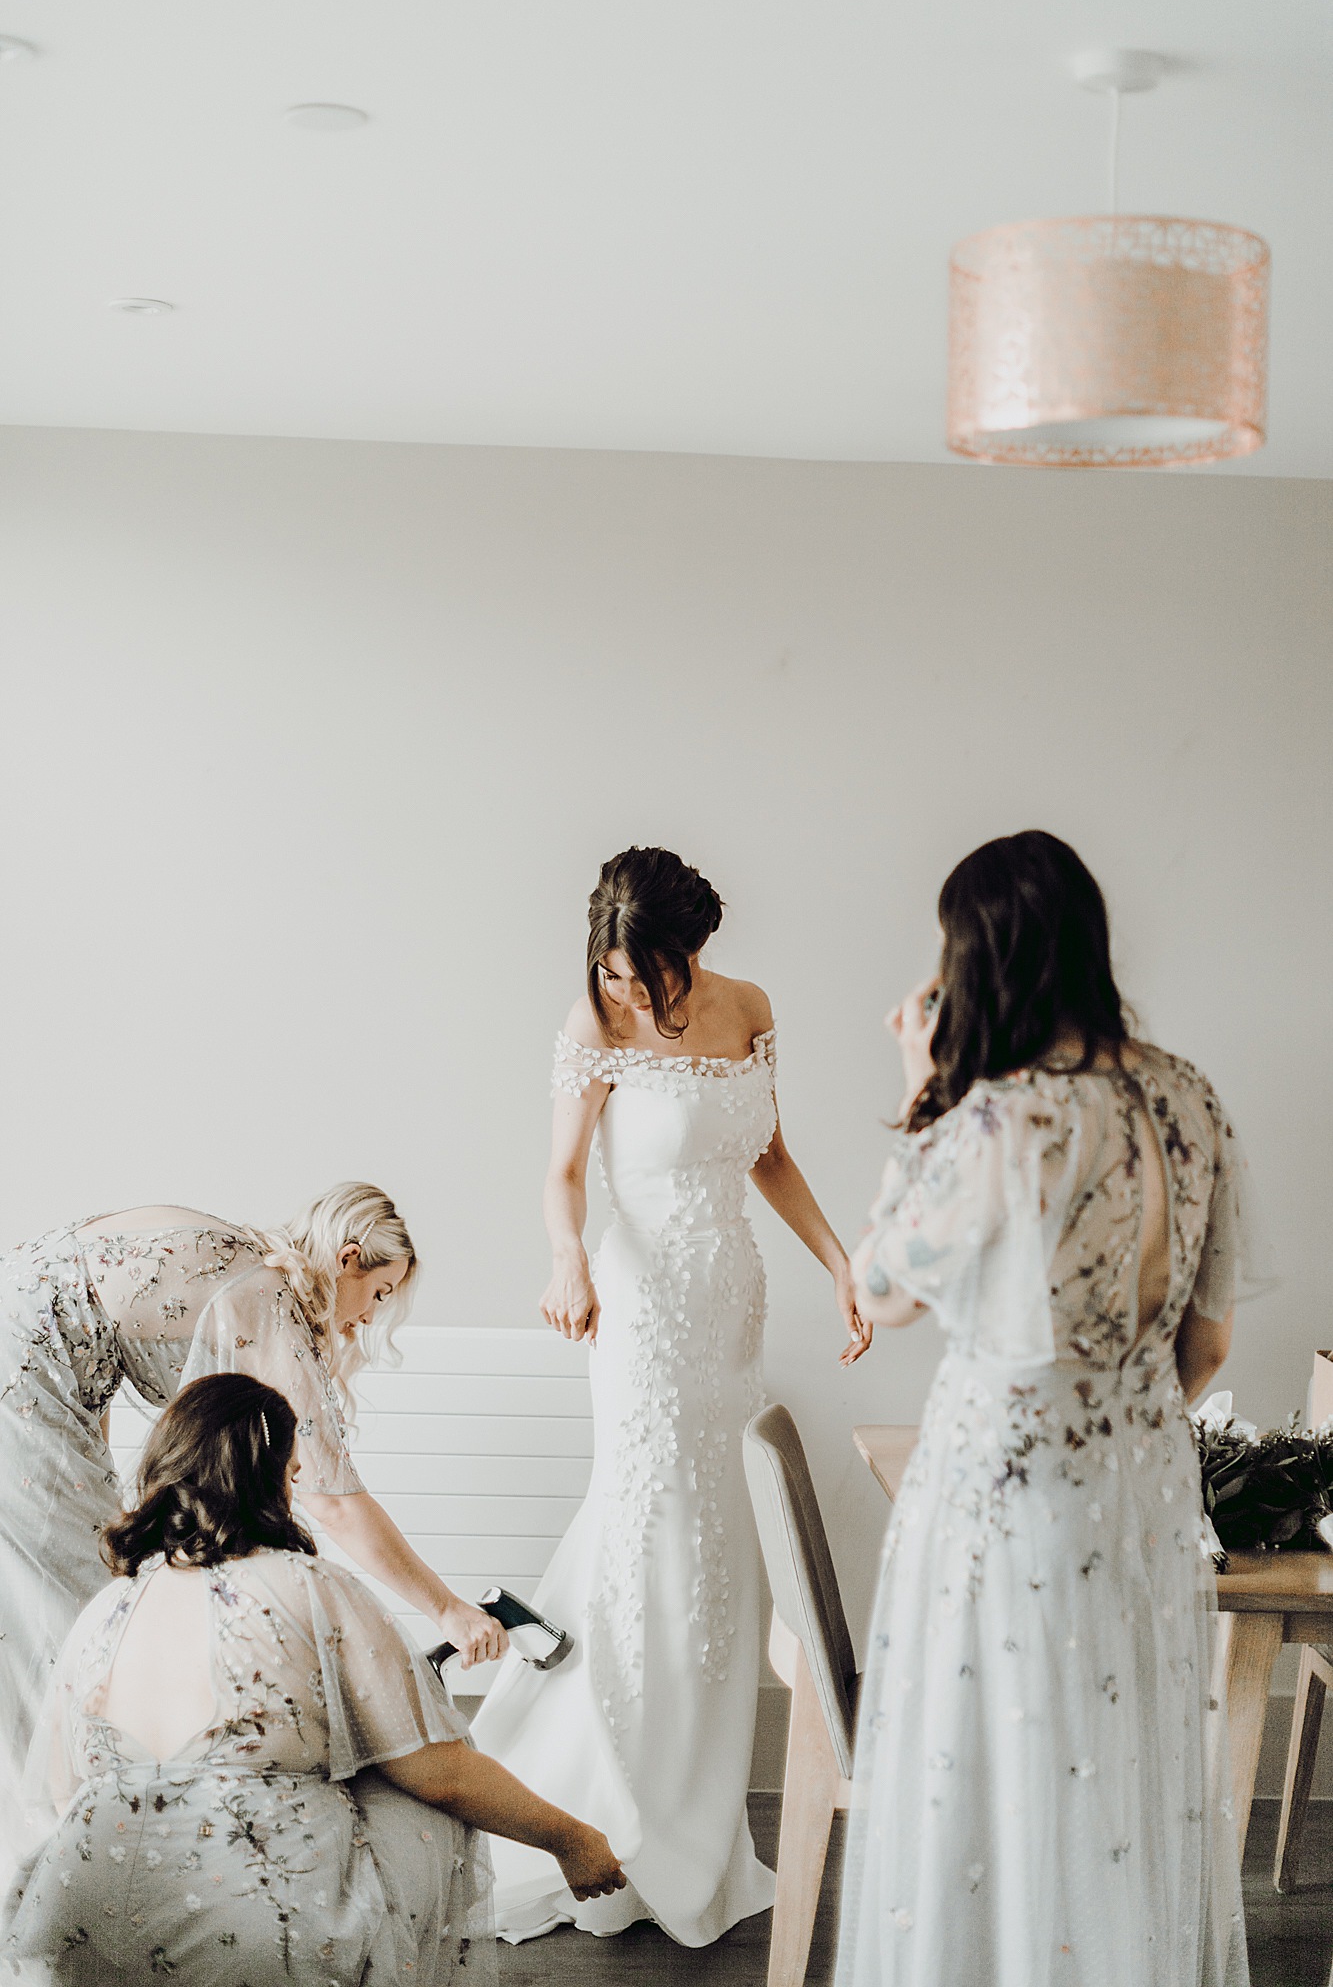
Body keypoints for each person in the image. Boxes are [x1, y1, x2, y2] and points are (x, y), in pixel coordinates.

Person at [836, 831, 1273, 1987]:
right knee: (1114, 1776)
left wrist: (919, 1087)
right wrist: (1119, 1426)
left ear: (980, 960)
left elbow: (878, 1289)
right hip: (1138, 1488)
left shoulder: (996, 1117)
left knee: (990, 1773)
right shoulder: (1187, 1094)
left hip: (1003, 1492)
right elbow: (1211, 1337)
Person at [471, 845, 868, 1945]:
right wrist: (565, 1257)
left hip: (728, 1300)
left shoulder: (748, 1006)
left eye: (649, 973)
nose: (632, 994)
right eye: (613, 973)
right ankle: (604, 1806)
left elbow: (770, 1153)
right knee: (647, 1534)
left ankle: (697, 1817)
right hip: (639, 1309)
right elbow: (561, 1172)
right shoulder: (592, 1020)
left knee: (717, 1548)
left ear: (692, 948)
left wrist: (837, 1261)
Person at [2, 1373, 624, 1986]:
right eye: (292, 1473)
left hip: (79, 1917)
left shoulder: (106, 1609)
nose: (296, 1488)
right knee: (408, 1778)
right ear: (265, 1476)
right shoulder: (309, 1586)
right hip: (258, 1929)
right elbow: (446, 1775)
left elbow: (64, 1792)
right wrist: (572, 1840)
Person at [0, 1183, 505, 1887]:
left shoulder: (242, 1260)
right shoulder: (267, 1297)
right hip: (20, 1387)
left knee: (78, 1611)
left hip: (34, 1371)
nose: (369, 1318)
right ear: (349, 1258)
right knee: (78, 1626)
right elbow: (335, 1500)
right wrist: (447, 1608)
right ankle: (74, 1864)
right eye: (380, 1294)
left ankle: (89, 1851)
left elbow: (89, 1338)